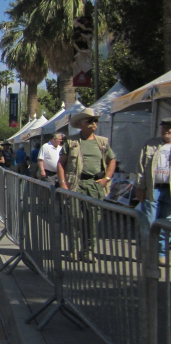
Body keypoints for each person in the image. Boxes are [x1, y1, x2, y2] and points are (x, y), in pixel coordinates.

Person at [57, 108, 116, 262]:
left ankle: (88, 251)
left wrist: (106, 178)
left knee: (93, 221)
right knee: (74, 217)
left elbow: (112, 160)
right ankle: (74, 249)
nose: (94, 123)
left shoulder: (102, 142)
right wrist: (63, 184)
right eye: (90, 120)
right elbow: (61, 163)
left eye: (95, 120)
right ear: (81, 123)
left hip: (94, 185)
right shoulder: (71, 142)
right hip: (76, 184)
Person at [135, 118, 171, 264]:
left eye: (169, 128)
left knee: (166, 223)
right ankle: (147, 253)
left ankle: (162, 254)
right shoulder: (150, 144)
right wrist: (139, 187)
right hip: (153, 188)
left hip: (168, 191)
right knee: (150, 222)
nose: (166, 130)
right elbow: (141, 167)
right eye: (164, 127)